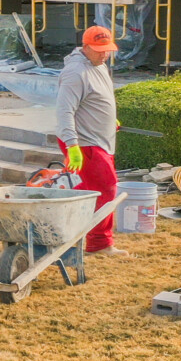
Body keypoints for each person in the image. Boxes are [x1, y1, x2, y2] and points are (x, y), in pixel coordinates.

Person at [55, 24, 126, 256]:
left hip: (99, 139)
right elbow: (64, 111)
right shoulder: (75, 72)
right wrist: (73, 146)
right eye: (98, 50)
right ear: (85, 47)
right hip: (84, 143)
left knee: (92, 191)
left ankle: (82, 235)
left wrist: (108, 119)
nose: (104, 54)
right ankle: (99, 245)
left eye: (107, 49)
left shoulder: (99, 65)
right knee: (106, 189)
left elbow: (96, 98)